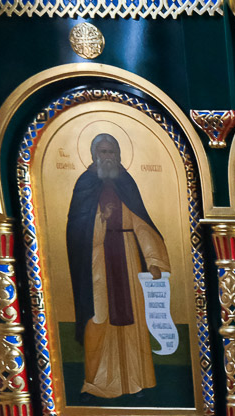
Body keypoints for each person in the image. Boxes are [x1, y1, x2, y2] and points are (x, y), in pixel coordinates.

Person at [65, 132, 171, 398]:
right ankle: (95, 382)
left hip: (128, 257)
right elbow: (76, 230)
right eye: (103, 152)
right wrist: (100, 219)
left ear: (119, 154)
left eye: (111, 151)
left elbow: (140, 223)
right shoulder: (85, 184)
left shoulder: (126, 182)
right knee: (98, 318)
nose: (108, 157)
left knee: (133, 319)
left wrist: (153, 260)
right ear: (94, 155)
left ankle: (136, 382)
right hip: (97, 260)